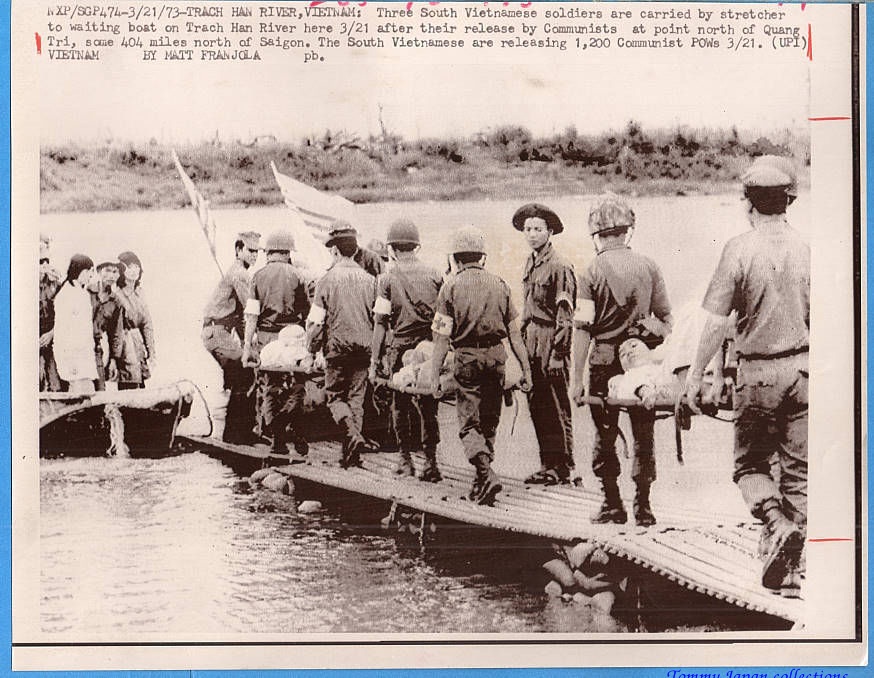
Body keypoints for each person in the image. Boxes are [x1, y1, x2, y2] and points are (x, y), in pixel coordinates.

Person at [684, 155, 808, 595]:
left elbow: (717, 322)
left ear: (748, 202)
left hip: (758, 376)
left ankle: (774, 522)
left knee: (750, 466)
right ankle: (791, 575)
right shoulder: (807, 248)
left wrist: (695, 376)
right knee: (798, 474)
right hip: (803, 372)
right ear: (788, 200)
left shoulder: (739, 248)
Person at [572, 194, 673, 527]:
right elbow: (665, 321)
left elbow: (583, 329)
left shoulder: (589, 270)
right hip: (639, 364)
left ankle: (612, 504)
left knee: (605, 434)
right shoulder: (649, 265)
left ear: (596, 231)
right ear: (627, 228)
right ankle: (644, 508)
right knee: (644, 434)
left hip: (602, 364)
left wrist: (576, 379)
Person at [429, 226, 531, 506]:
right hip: (497, 358)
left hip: (467, 359)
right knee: (489, 420)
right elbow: (515, 334)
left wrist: (434, 375)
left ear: (456, 259)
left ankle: (485, 474)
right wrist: (526, 370)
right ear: (482, 257)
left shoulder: (450, 287)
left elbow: (440, 339)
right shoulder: (500, 284)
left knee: (468, 425)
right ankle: (482, 479)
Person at [370, 219, 443, 481]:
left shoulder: (386, 278)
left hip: (400, 348)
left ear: (391, 248)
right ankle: (431, 462)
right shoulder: (435, 274)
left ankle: (405, 459)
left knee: (399, 404)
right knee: (428, 404)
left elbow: (380, 323)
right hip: (428, 347)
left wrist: (374, 362)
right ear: (416, 246)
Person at [513, 203, 577, 485]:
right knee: (538, 404)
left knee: (556, 405)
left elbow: (565, 315)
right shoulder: (531, 261)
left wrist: (559, 354)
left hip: (551, 340)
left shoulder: (559, 266)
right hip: (532, 341)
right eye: (528, 229)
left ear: (550, 232)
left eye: (538, 229)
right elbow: (527, 308)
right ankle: (547, 464)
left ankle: (562, 466)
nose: (532, 234)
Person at [307, 223, 378, 469]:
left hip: (337, 350)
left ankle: (351, 435)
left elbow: (316, 323)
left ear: (335, 251)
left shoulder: (326, 280)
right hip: (364, 349)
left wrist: (310, 349)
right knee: (356, 398)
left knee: (335, 397)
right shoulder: (371, 281)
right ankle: (352, 455)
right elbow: (378, 320)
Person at [242, 230, 311, 458]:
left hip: (267, 340)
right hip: (293, 338)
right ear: (287, 252)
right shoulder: (298, 275)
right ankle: (296, 428)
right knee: (298, 385)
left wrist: (246, 351)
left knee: (270, 388)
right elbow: (307, 313)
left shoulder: (257, 276)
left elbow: (251, 316)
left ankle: (277, 439)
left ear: (269, 252)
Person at [203, 231, 261, 444]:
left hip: (220, 332)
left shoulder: (239, 272)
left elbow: (240, 317)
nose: (254, 255)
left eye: (257, 252)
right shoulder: (240, 274)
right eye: (250, 251)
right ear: (239, 250)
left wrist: (248, 342)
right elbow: (250, 308)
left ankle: (239, 432)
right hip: (216, 332)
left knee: (242, 375)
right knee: (244, 374)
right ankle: (238, 434)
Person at [53, 254, 99, 395]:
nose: (91, 276)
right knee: (79, 395)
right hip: (72, 356)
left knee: (88, 392)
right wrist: (69, 361)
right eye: (90, 272)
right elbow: (62, 331)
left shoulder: (82, 293)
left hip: (84, 354)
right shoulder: (65, 294)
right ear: (83, 271)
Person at [115, 251, 156, 390]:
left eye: (136, 266)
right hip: (125, 346)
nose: (134, 271)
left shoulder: (140, 293)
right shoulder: (118, 295)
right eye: (129, 267)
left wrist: (151, 351)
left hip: (138, 345)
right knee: (129, 384)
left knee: (141, 384)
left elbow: (147, 324)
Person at [90, 262, 125, 391]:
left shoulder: (116, 301)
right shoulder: (87, 291)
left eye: (115, 272)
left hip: (97, 350)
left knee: (100, 391)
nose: (111, 275)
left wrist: (114, 359)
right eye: (108, 270)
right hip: (79, 348)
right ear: (99, 271)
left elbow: (116, 333)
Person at [39, 233, 63, 391]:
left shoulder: (55, 284)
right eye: (41, 261)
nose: (44, 264)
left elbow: (65, 314)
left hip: (52, 339)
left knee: (56, 384)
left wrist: (52, 333)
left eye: (46, 260)